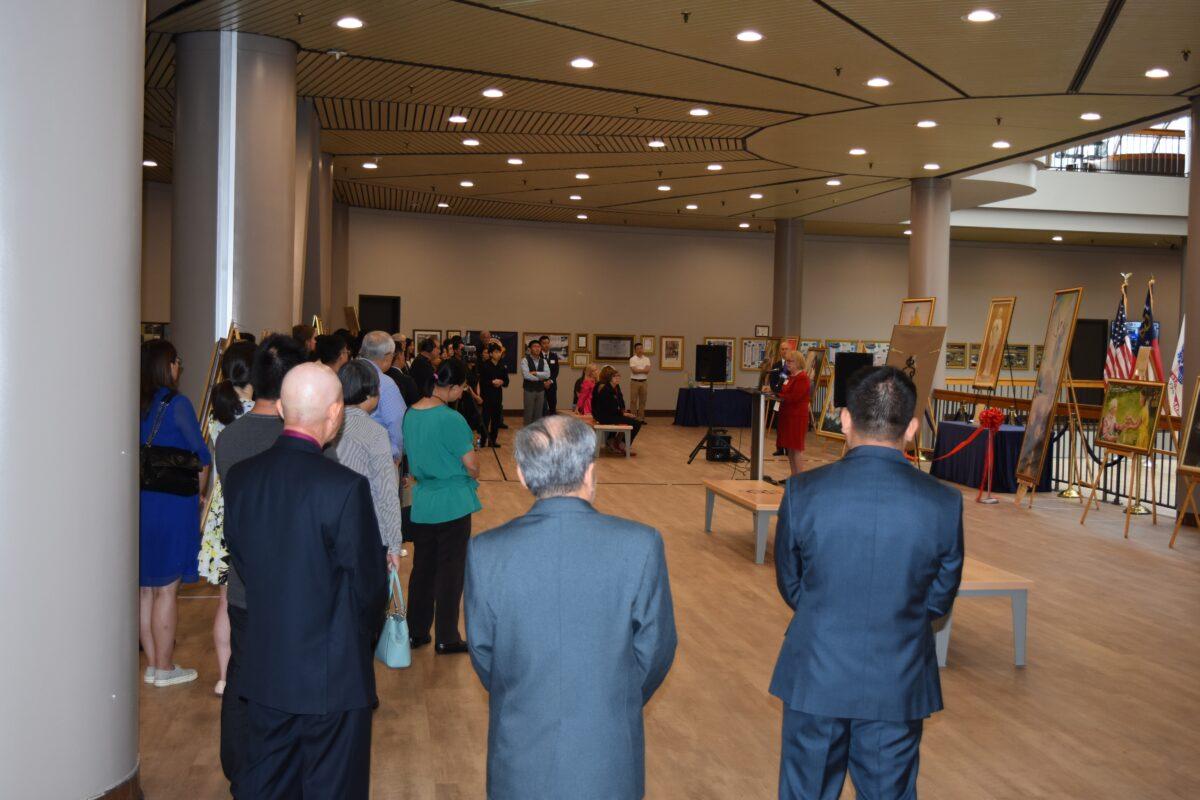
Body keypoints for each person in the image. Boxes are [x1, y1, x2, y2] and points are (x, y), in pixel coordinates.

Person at [771, 366, 964, 800]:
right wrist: (897, 620)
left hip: (816, 673)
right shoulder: (943, 502)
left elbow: (791, 582)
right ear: (912, 429)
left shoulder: (803, 491)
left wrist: (825, 614)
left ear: (843, 419)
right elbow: (939, 598)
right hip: (897, 680)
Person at [465, 415, 677, 799]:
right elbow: (656, 648)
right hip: (607, 751)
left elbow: (483, 651)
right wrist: (614, 694)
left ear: (522, 476)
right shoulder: (640, 544)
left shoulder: (487, 550)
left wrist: (525, 692)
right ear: (591, 472)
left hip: (520, 748)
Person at [224, 363, 388, 800]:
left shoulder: (241, 479)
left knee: (268, 786)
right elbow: (369, 589)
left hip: (262, 668)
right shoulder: (346, 487)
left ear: (280, 408)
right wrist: (354, 645)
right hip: (331, 677)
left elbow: (240, 559)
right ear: (336, 414)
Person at [213, 333, 306, 794]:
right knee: (285, 685)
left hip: (245, 582)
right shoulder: (299, 440)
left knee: (241, 676)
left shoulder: (230, 438)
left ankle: (237, 766)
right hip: (292, 585)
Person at [139, 339, 210, 689]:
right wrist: (198, 495)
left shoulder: (135, 404)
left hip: (140, 503)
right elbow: (201, 455)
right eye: (176, 361)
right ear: (165, 366)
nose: (179, 366)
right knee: (167, 589)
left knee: (145, 589)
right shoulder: (177, 404)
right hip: (172, 504)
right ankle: (165, 669)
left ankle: (153, 664)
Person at [403, 358, 481, 654]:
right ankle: (447, 635)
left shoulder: (411, 413)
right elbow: (472, 466)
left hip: (423, 499)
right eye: (463, 388)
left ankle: (416, 630)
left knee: (422, 568)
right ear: (454, 386)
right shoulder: (452, 419)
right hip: (451, 502)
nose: (463, 394)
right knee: (450, 570)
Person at [199, 340, 256, 697]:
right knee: (252, 600)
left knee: (224, 600)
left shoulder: (217, 412)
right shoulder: (259, 411)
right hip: (249, 508)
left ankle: (224, 676)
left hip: (219, 511)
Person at [333, 360, 405, 566]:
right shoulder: (375, 433)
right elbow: (386, 492)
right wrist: (394, 545)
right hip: (365, 531)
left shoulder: (324, 425)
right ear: (371, 393)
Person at [359, 331, 407, 463]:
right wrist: (397, 453)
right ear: (387, 357)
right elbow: (397, 423)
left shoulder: (344, 373)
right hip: (379, 457)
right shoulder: (385, 383)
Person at [776, 350, 813, 476]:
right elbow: (784, 391)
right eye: (786, 361)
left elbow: (794, 397)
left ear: (798, 362)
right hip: (787, 416)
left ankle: (799, 479)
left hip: (796, 417)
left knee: (796, 449)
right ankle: (794, 477)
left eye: (790, 361)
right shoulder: (789, 377)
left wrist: (778, 395)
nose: (787, 364)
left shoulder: (802, 378)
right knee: (790, 449)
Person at [592, 366, 643, 455]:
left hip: (613, 414)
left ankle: (618, 443)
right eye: (615, 376)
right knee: (636, 424)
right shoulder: (605, 389)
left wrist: (624, 412)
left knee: (636, 421)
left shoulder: (616, 387)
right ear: (610, 378)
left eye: (619, 376)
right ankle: (623, 446)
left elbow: (620, 401)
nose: (618, 378)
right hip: (604, 416)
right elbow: (609, 408)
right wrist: (623, 414)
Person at [479, 342, 509, 447]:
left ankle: (492, 441)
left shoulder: (502, 366)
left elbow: (507, 382)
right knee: (485, 420)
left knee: (496, 420)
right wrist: (492, 382)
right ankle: (482, 440)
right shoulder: (484, 365)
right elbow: (482, 381)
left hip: (497, 397)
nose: (498, 354)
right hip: (486, 397)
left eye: (499, 352)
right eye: (496, 352)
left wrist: (501, 382)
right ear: (491, 354)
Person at [768, 341, 793, 456]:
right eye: (782, 349)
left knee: (789, 425)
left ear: (790, 350)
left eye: (786, 349)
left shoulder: (793, 365)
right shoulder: (776, 366)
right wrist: (777, 392)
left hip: (789, 399)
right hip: (779, 398)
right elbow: (772, 382)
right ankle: (780, 448)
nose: (784, 351)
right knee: (779, 424)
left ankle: (788, 448)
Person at [522, 339, 552, 426]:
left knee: (538, 414)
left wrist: (535, 373)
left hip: (540, 390)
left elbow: (547, 374)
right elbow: (526, 375)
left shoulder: (544, 361)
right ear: (530, 349)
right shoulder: (525, 360)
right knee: (528, 413)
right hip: (529, 390)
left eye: (539, 347)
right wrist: (540, 379)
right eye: (534, 346)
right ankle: (527, 434)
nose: (537, 348)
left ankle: (536, 435)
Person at [387, 337, 421, 408]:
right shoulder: (407, 380)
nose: (404, 357)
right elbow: (416, 405)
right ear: (399, 355)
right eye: (403, 354)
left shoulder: (383, 375)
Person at [628, 342, 651, 422]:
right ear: (635, 350)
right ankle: (633, 418)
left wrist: (639, 370)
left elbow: (647, 370)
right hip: (634, 382)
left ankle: (641, 419)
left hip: (644, 382)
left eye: (641, 348)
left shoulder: (647, 359)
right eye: (638, 349)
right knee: (633, 401)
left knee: (643, 401)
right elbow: (634, 371)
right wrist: (643, 370)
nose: (640, 350)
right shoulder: (632, 359)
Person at [538, 335, 561, 415]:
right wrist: (544, 382)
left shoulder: (554, 356)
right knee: (541, 408)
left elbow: (556, 371)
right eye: (544, 343)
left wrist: (550, 381)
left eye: (548, 343)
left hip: (552, 385)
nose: (546, 345)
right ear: (540, 345)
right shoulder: (537, 356)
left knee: (552, 409)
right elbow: (536, 372)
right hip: (540, 386)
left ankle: (552, 426)